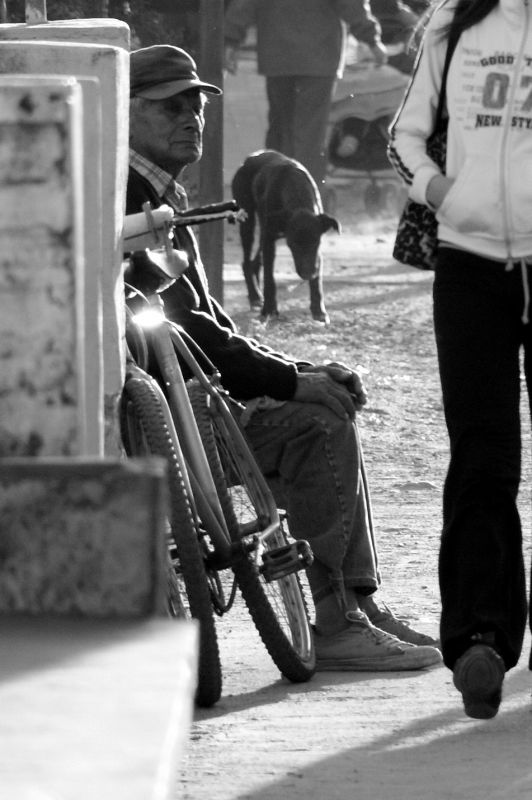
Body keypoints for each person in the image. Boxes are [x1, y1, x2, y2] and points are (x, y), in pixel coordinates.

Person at [126, 43, 442, 672]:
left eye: (196, 104)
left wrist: (299, 371)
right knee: (317, 421)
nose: (190, 117)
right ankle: (339, 618)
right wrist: (290, 384)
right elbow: (189, 331)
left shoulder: (163, 193)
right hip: (164, 419)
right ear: (125, 114)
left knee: (326, 396)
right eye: (169, 107)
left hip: (186, 399)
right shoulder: (132, 201)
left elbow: (210, 322)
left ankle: (353, 605)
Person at [388, 0, 532, 718]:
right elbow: (405, 136)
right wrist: (443, 193)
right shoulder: (457, 24)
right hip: (470, 265)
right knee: (482, 454)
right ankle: (480, 639)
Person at [223, 0, 388, 194]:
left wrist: (230, 39)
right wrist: (371, 39)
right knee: (309, 135)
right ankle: (303, 198)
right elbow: (350, 5)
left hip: (277, 56)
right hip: (319, 57)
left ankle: (275, 193)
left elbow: (245, 4)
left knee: (280, 130)